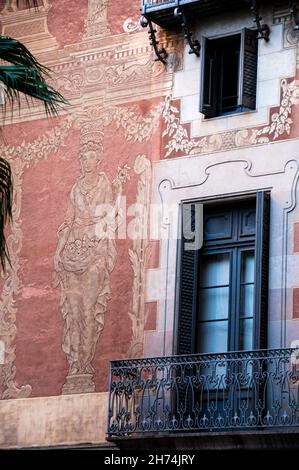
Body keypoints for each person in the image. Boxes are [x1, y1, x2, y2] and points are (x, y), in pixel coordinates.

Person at [52, 135, 117, 378]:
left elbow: (109, 216)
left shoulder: (104, 184)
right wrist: (58, 252)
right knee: (74, 310)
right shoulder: (75, 188)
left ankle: (86, 361)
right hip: (72, 251)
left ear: (98, 160)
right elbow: (68, 221)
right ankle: (75, 364)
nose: (85, 161)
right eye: (83, 157)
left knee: (90, 309)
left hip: (95, 249)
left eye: (90, 157)